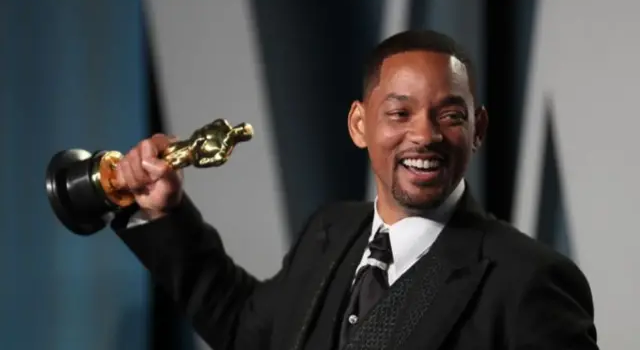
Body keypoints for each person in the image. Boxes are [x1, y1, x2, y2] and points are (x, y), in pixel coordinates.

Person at [112, 30, 598, 350]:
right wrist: (166, 214)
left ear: (478, 129)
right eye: (399, 113)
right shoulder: (330, 231)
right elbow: (246, 331)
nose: (424, 135)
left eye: (450, 115)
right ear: (359, 125)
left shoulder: (529, 280)